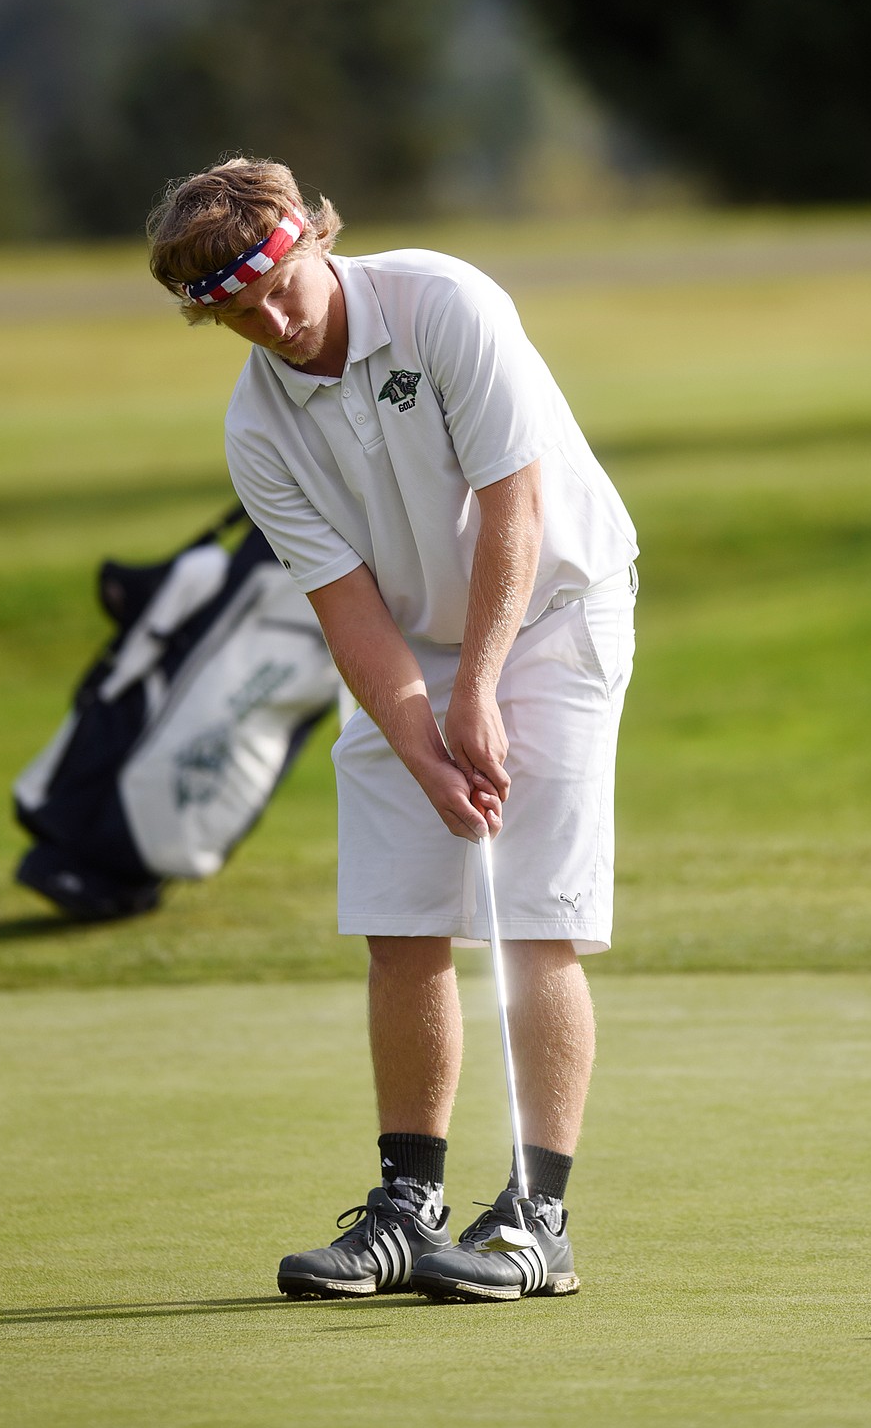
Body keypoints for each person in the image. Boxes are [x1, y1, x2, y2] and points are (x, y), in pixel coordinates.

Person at [147, 158, 637, 1303]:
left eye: (278, 285)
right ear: (209, 314)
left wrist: (479, 684)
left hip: (556, 610)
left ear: (314, 237)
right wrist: (422, 740)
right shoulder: (256, 430)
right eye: (235, 312)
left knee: (530, 915)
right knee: (400, 918)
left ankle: (537, 1220)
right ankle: (408, 1209)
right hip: (410, 642)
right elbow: (347, 609)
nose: (272, 321)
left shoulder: (441, 303)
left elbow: (515, 502)